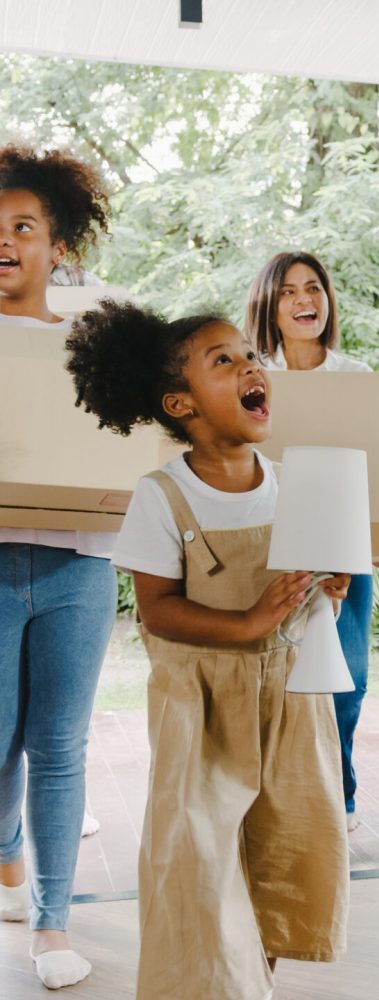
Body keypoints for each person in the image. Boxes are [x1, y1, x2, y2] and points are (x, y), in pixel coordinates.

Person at [65, 301, 351, 999]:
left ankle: (259, 984)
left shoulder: (293, 484)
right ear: (180, 403)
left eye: (251, 355)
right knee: (200, 862)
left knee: (282, 855)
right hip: (201, 711)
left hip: (288, 705)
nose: (251, 365)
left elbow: (309, 607)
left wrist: (328, 590)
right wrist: (250, 622)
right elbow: (159, 613)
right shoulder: (162, 497)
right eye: (223, 360)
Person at [0, 144, 114, 991]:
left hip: (80, 567)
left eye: (23, 226)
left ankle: (51, 924)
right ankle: (6, 860)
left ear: (57, 245)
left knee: (60, 747)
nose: (5, 241)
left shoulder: (92, 341)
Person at [245, 251, 379, 834]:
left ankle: (342, 792)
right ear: (269, 303)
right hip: (270, 545)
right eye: (288, 291)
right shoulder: (251, 376)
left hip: (343, 548)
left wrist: (372, 544)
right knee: (277, 674)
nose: (304, 300)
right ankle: (279, 795)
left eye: (313, 288)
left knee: (347, 678)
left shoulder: (356, 378)